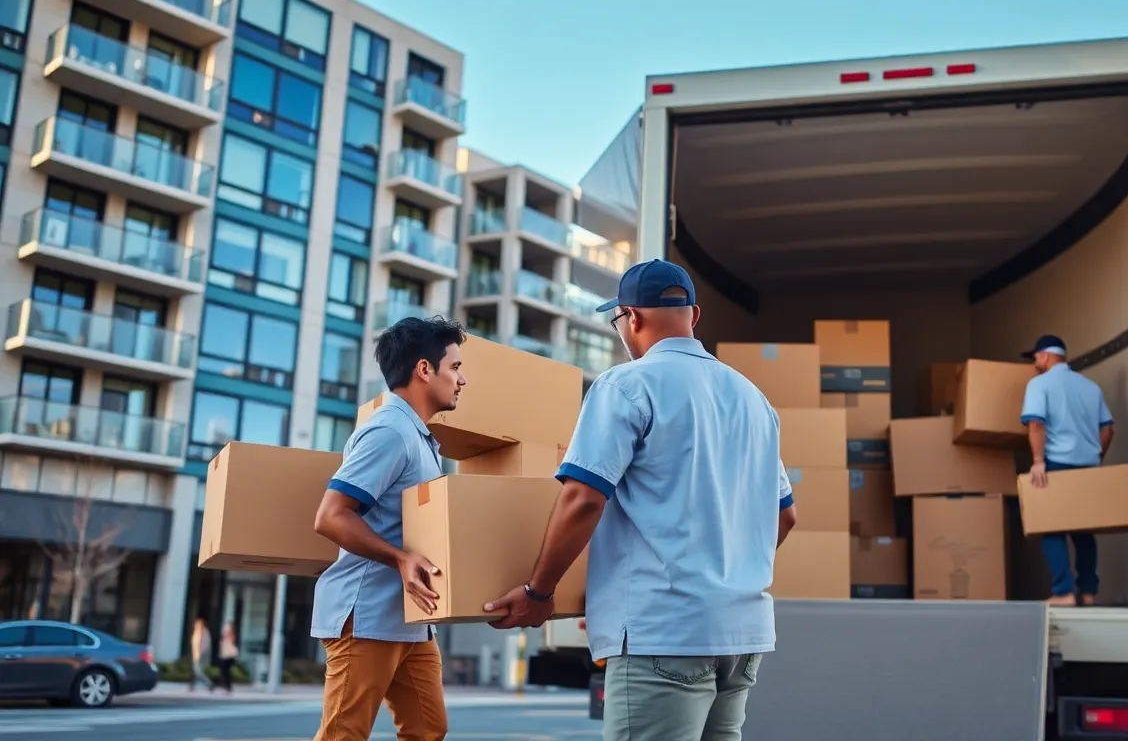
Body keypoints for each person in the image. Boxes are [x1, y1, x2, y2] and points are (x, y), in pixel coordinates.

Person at [483, 259, 798, 741]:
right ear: (694, 316)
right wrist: (725, 576)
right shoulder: (754, 400)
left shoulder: (628, 385)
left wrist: (537, 594)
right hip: (741, 633)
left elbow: (583, 499)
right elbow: (786, 516)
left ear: (630, 317)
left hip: (663, 632)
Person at [310, 316, 468, 741]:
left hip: (411, 620)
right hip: (366, 615)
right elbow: (331, 515)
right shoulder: (390, 431)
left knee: (427, 729)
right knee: (344, 734)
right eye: (454, 367)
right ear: (423, 370)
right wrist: (400, 558)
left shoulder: (418, 437)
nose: (462, 379)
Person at [1019, 334, 1115, 607]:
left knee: (1052, 527)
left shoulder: (1039, 385)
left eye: (1036, 357)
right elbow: (1107, 429)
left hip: (1057, 463)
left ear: (1047, 356)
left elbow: (1035, 424)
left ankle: (1063, 592)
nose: (1035, 363)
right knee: (1084, 531)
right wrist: (1096, 457)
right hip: (1086, 465)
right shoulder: (1090, 387)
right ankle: (1087, 591)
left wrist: (1038, 461)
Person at [189, 617, 215, 693]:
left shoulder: (205, 633)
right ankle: (192, 686)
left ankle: (209, 683)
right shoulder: (196, 633)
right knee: (196, 671)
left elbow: (206, 645)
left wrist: (201, 653)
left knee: (198, 671)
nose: (197, 626)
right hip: (196, 654)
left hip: (201, 655)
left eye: (198, 624)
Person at [218, 621, 239, 695]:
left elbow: (232, 643)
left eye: (227, 627)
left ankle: (228, 687)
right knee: (223, 671)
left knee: (226, 671)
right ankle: (225, 686)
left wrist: (227, 636)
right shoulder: (224, 636)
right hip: (224, 654)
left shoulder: (231, 635)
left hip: (229, 655)